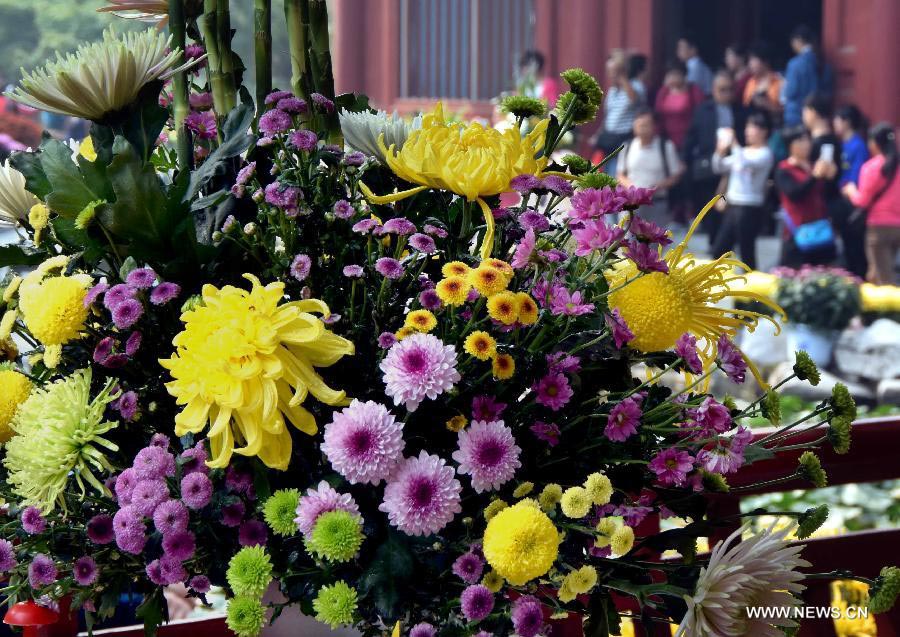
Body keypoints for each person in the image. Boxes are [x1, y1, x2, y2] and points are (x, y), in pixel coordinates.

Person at [683, 71, 749, 238]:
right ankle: (713, 239)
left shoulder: (740, 111)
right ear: (713, 90)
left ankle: (723, 240)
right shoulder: (703, 110)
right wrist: (686, 159)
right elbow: (692, 136)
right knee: (709, 203)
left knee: (727, 203)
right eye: (722, 90)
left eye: (729, 90)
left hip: (733, 162)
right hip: (709, 162)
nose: (726, 94)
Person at [710, 112, 774, 269]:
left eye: (752, 127)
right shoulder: (743, 151)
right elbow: (719, 167)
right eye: (747, 127)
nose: (747, 131)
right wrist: (719, 151)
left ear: (764, 131)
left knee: (747, 252)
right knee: (719, 249)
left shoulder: (765, 153)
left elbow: (745, 162)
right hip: (732, 205)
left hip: (749, 207)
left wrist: (733, 144)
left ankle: (751, 289)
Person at [842, 123, 900, 284]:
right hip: (897, 225)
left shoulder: (871, 167)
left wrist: (850, 190)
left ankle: (891, 309)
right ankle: (871, 308)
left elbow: (862, 201)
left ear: (874, 143)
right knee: (875, 272)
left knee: (884, 277)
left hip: (878, 228)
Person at [775, 127, 835, 267]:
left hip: (820, 231)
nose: (806, 144)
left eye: (807, 139)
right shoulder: (784, 169)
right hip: (797, 233)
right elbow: (794, 194)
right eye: (801, 140)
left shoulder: (815, 166)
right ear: (791, 145)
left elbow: (826, 194)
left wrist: (831, 177)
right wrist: (814, 177)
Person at [616, 107, 684, 226]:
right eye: (639, 125)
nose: (642, 128)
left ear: (654, 126)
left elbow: (676, 175)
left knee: (653, 240)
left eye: (646, 125)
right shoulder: (627, 146)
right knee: (626, 240)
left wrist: (655, 188)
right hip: (631, 203)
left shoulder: (666, 146)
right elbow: (620, 174)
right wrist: (633, 188)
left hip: (657, 203)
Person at [594, 51, 646, 174]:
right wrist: (599, 134)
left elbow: (635, 100)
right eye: (609, 71)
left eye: (614, 71)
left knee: (615, 174)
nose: (611, 75)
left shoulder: (635, 85)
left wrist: (623, 79)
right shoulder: (612, 90)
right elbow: (609, 115)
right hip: (609, 140)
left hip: (624, 140)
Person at [833, 104, 870, 276]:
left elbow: (857, 174)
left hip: (851, 199)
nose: (835, 123)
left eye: (838, 119)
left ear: (846, 122)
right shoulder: (841, 144)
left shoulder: (858, 145)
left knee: (855, 245)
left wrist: (846, 187)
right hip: (841, 199)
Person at [782, 25, 833, 126]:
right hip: (817, 115)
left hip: (796, 114)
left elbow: (791, 92)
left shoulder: (795, 64)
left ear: (798, 40)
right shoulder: (822, 63)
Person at [654, 60, 705, 150]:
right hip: (666, 140)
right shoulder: (663, 92)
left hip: (688, 139)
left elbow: (701, 114)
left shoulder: (693, 91)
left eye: (675, 74)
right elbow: (657, 113)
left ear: (684, 75)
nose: (672, 78)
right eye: (669, 75)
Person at [743, 42, 783, 119]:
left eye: (753, 60)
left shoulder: (779, 81)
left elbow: (784, 110)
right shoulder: (751, 82)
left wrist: (766, 104)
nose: (750, 64)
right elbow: (745, 106)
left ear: (765, 62)